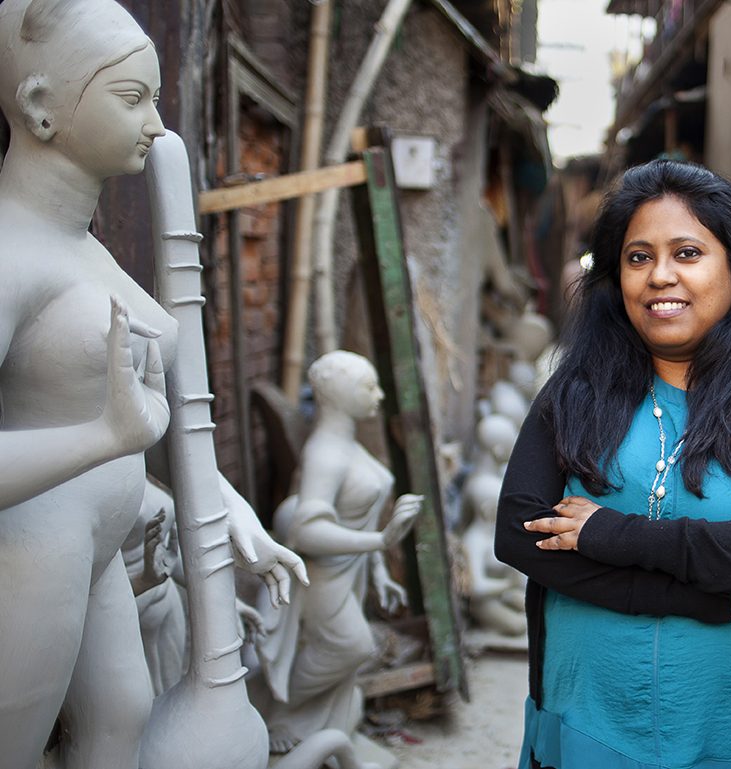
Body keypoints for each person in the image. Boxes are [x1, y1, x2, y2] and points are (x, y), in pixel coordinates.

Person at [0, 2, 303, 766]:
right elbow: (121, 423)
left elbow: (152, 418)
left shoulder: (87, 247)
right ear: (41, 108)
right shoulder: (12, 254)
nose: (157, 124)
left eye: (158, 98)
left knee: (122, 721)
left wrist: (232, 508)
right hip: (35, 548)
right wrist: (104, 439)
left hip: (102, 539)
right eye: (132, 99)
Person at [494, 159, 731, 769]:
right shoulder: (577, 389)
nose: (660, 276)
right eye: (638, 258)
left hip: (729, 738)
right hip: (584, 724)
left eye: (687, 253)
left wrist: (611, 534)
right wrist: (696, 599)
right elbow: (519, 533)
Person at [258, 351, 422, 753]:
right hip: (323, 576)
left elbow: (356, 518)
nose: (379, 395)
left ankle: (322, 730)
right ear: (337, 394)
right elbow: (307, 532)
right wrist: (381, 542)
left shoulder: (347, 444)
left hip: (350, 571)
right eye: (368, 387)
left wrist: (379, 570)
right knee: (352, 647)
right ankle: (275, 713)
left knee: (346, 667)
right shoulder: (326, 454)